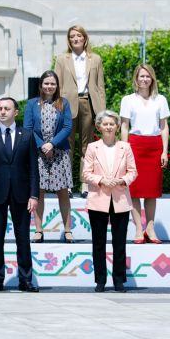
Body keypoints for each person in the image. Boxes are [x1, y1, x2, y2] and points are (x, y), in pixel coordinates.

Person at [0, 96, 39, 292]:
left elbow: (33, 169)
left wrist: (34, 195)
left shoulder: (27, 135)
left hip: (22, 194)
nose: (2, 111)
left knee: (23, 239)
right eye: (0, 108)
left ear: (16, 112)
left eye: (7, 108)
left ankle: (25, 280)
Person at [81, 110, 137, 292]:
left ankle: (119, 280)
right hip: (98, 199)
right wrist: (102, 180)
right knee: (98, 243)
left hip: (120, 199)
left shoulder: (125, 147)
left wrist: (122, 180)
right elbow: (86, 173)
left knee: (119, 243)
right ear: (99, 127)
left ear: (117, 127)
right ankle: (100, 280)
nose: (108, 127)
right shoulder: (92, 147)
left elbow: (133, 171)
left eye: (112, 124)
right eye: (105, 124)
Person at [121, 63, 170, 244]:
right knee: (134, 190)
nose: (144, 79)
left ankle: (150, 228)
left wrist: (164, 151)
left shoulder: (161, 99)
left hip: (154, 146)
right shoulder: (128, 100)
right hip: (135, 146)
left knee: (152, 191)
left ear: (152, 79)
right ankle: (138, 229)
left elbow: (164, 127)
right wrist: (124, 150)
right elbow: (124, 126)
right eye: (141, 76)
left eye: (148, 76)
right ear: (136, 78)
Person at [25, 71, 75, 243]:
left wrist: (52, 144)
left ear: (57, 86)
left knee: (63, 193)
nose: (49, 86)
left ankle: (67, 230)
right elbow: (28, 128)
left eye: (52, 83)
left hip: (59, 152)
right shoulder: (32, 104)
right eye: (46, 83)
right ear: (41, 85)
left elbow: (67, 127)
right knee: (38, 192)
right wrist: (42, 146)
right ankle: (39, 230)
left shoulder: (64, 103)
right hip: (38, 153)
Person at [55, 25, 106, 177]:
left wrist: (102, 112)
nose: (75, 39)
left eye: (78, 35)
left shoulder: (95, 59)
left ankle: (86, 182)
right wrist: (57, 108)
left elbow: (100, 87)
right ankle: (66, 183)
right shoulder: (62, 59)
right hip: (67, 104)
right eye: (72, 36)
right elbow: (57, 86)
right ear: (68, 40)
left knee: (87, 146)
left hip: (88, 103)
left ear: (84, 38)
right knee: (67, 145)